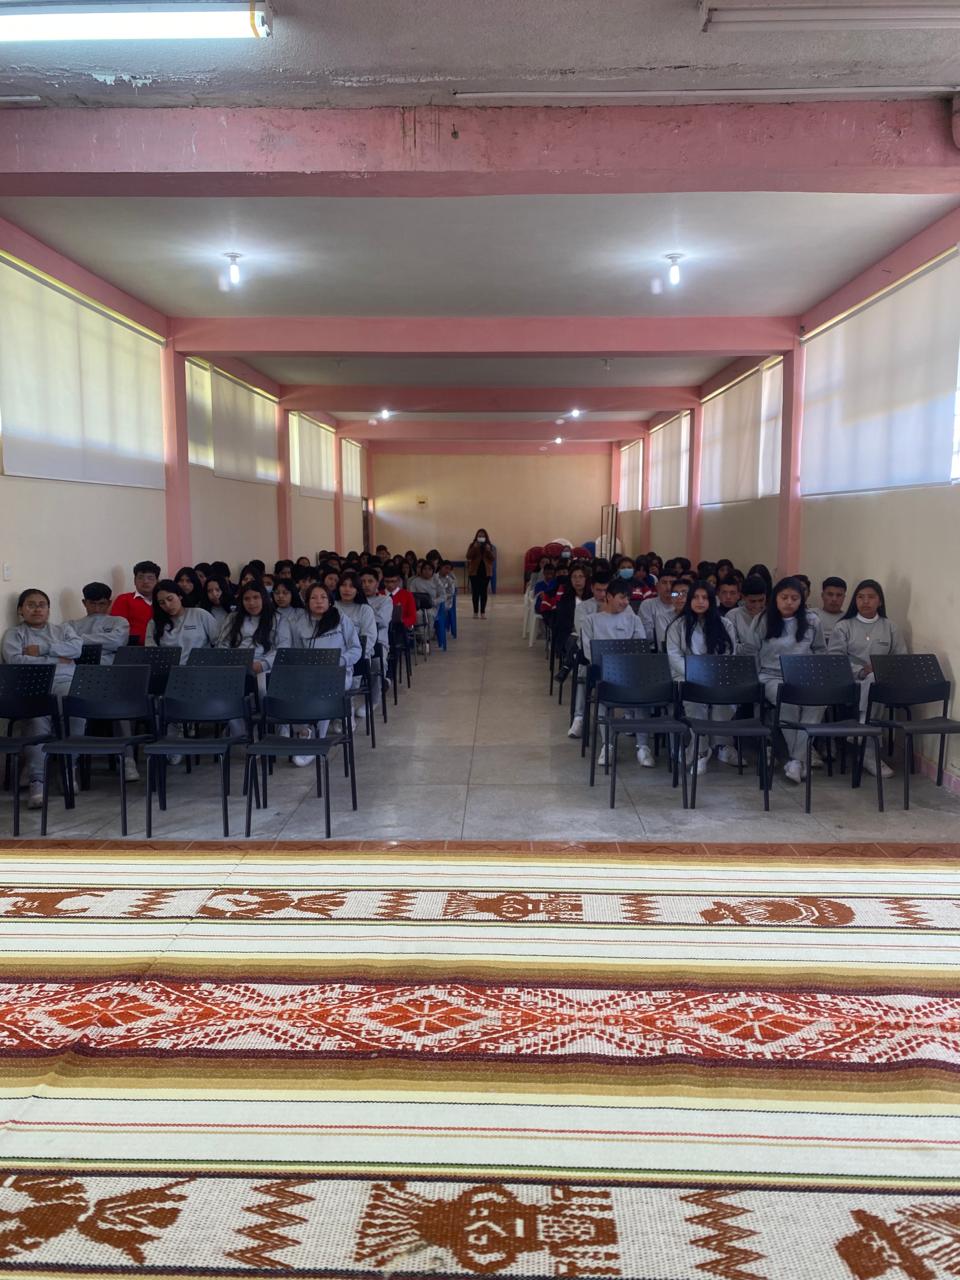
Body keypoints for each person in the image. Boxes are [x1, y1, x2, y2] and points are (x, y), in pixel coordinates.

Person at [740, 575, 827, 784]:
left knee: (818, 702)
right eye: (784, 597)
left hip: (804, 677)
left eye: (794, 598)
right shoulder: (762, 620)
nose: (789, 602)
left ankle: (796, 760)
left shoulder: (812, 620)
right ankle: (799, 759)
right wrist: (754, 679)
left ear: (801, 600)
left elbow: (820, 650)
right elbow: (751, 651)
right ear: (775, 598)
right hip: (771, 675)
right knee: (787, 700)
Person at [2, 588, 83, 807]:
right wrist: (57, 658)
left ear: (48, 609)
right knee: (37, 718)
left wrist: (41, 650)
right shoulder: (14, 634)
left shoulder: (63, 629)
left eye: (42, 605)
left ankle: (68, 769)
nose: (37, 609)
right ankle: (37, 779)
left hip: (65, 682)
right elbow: (16, 661)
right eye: (31, 605)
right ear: (20, 610)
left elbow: (76, 649)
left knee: (78, 709)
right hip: (32, 684)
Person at [828, 579, 907, 777]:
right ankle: (870, 750)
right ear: (855, 600)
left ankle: (863, 729)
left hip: (882, 682)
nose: (865, 601)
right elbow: (835, 659)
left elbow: (901, 658)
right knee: (872, 679)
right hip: (851, 682)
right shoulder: (844, 626)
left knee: (875, 680)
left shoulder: (890, 627)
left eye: (871, 597)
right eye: (860, 597)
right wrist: (860, 671)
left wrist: (882, 670)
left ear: (880, 601)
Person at [665, 581, 738, 773]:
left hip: (717, 677)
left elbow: (729, 654)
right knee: (695, 700)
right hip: (686, 676)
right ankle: (701, 749)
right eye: (696, 597)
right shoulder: (677, 626)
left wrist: (712, 676)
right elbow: (674, 656)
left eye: (705, 598)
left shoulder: (725, 625)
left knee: (726, 700)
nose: (700, 601)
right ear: (689, 600)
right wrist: (696, 674)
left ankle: (718, 745)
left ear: (712, 601)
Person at [575, 579, 648, 764]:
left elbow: (640, 648)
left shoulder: (634, 620)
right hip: (603, 671)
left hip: (630, 672)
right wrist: (611, 665)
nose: (625, 602)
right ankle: (607, 745)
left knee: (643, 693)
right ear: (608, 596)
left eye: (628, 598)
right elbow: (589, 651)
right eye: (621, 597)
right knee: (603, 692)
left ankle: (642, 746)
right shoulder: (591, 621)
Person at [288, 583, 362, 765]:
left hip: (338, 673)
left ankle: (316, 741)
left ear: (330, 601)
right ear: (307, 602)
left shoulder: (341, 619)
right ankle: (304, 731)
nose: (319, 601)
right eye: (313, 598)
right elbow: (296, 652)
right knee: (288, 689)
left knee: (324, 690)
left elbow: (356, 649)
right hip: (309, 675)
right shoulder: (300, 623)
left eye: (323, 597)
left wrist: (340, 661)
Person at [337, 571, 381, 717]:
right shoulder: (331, 607)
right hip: (333, 658)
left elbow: (370, 638)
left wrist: (353, 656)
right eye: (343, 585)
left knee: (347, 685)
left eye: (351, 586)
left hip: (358, 658)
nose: (347, 589)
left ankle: (346, 715)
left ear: (357, 589)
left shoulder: (364, 609)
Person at [146, 579, 219, 659]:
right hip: (168, 666)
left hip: (200, 665)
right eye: (162, 603)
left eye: (170, 599)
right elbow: (151, 652)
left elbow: (219, 642)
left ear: (180, 596)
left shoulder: (200, 614)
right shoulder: (154, 623)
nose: (167, 605)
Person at [71, 583, 129, 664]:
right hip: (79, 667)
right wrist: (106, 645)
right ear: (84, 603)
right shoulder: (72, 625)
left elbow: (117, 642)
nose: (97, 609)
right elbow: (66, 645)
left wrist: (79, 639)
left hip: (110, 668)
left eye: (102, 604)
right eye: (92, 603)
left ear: (109, 603)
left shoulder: (119, 622)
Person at [110, 560, 160, 644]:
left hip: (162, 647)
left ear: (157, 581)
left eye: (150, 578)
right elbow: (117, 631)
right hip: (132, 647)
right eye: (140, 577)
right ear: (134, 580)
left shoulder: (163, 602)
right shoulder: (124, 599)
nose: (145, 581)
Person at [727, 574, 768, 649]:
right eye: (753, 601)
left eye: (761, 600)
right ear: (743, 597)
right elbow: (732, 647)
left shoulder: (772, 614)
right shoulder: (733, 616)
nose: (757, 605)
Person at [638, 571, 677, 649]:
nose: (669, 587)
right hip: (654, 650)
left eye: (672, 583)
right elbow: (647, 634)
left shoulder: (683, 604)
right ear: (657, 586)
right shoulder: (647, 604)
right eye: (664, 583)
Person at [466, 528, 495, 619]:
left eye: (483, 536)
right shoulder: (472, 545)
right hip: (474, 572)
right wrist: (474, 548)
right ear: (476, 536)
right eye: (479, 536)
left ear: (486, 537)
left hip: (486, 572)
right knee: (475, 592)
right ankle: (475, 612)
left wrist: (488, 550)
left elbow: (493, 558)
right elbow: (468, 556)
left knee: (483, 592)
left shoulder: (489, 546)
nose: (481, 537)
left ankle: (482, 612)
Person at [381, 564, 417, 630]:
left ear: (398, 581)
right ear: (383, 581)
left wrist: (402, 622)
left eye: (393, 581)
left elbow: (412, 617)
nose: (390, 584)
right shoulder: (379, 594)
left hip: (400, 628)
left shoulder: (407, 595)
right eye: (387, 582)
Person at [819, 576, 848, 643]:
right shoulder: (812, 616)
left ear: (844, 597)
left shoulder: (849, 619)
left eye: (839, 595)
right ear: (822, 595)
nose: (834, 599)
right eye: (830, 594)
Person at [437, 560, 458, 639]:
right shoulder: (434, 577)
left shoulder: (450, 580)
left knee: (440, 608)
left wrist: (441, 597)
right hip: (434, 600)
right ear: (440, 567)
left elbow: (451, 593)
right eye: (446, 568)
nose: (447, 571)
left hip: (445, 602)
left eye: (449, 569)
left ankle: (439, 630)